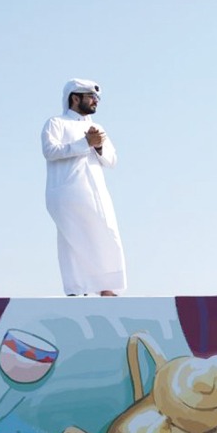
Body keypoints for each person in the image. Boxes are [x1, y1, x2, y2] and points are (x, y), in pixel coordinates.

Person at [41, 78, 126, 296]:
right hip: (67, 191)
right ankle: (76, 290)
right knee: (72, 239)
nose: (95, 101)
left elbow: (112, 160)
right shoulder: (56, 123)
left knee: (106, 233)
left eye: (97, 97)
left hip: (96, 191)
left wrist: (97, 145)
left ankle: (108, 289)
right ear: (75, 98)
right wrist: (84, 144)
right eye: (91, 97)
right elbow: (50, 151)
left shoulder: (96, 127)